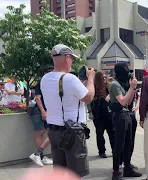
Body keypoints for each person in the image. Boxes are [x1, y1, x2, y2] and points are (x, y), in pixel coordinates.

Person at [40, 44, 95, 177]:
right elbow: (89, 98)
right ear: (67, 58)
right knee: (75, 172)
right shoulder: (70, 79)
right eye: (72, 59)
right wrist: (91, 79)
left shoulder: (45, 79)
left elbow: (63, 96)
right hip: (72, 132)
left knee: (59, 170)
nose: (72, 62)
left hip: (53, 131)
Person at [109, 62, 142, 180]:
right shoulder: (114, 84)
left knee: (129, 143)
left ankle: (127, 168)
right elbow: (122, 101)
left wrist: (131, 88)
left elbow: (128, 102)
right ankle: (116, 171)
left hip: (127, 114)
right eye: (126, 71)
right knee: (119, 145)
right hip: (119, 116)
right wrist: (132, 87)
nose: (128, 74)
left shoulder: (123, 84)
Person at [29, 65, 54, 167]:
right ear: (45, 73)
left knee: (52, 132)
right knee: (39, 133)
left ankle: (38, 155)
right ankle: (41, 157)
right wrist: (43, 111)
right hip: (38, 111)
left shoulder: (51, 83)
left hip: (48, 111)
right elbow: (38, 98)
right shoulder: (41, 83)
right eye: (51, 71)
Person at [92, 71, 115, 158]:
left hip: (109, 114)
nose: (104, 79)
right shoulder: (94, 88)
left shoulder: (108, 87)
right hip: (98, 115)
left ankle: (114, 150)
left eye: (105, 77)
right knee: (99, 134)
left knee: (112, 133)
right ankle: (102, 151)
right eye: (103, 78)